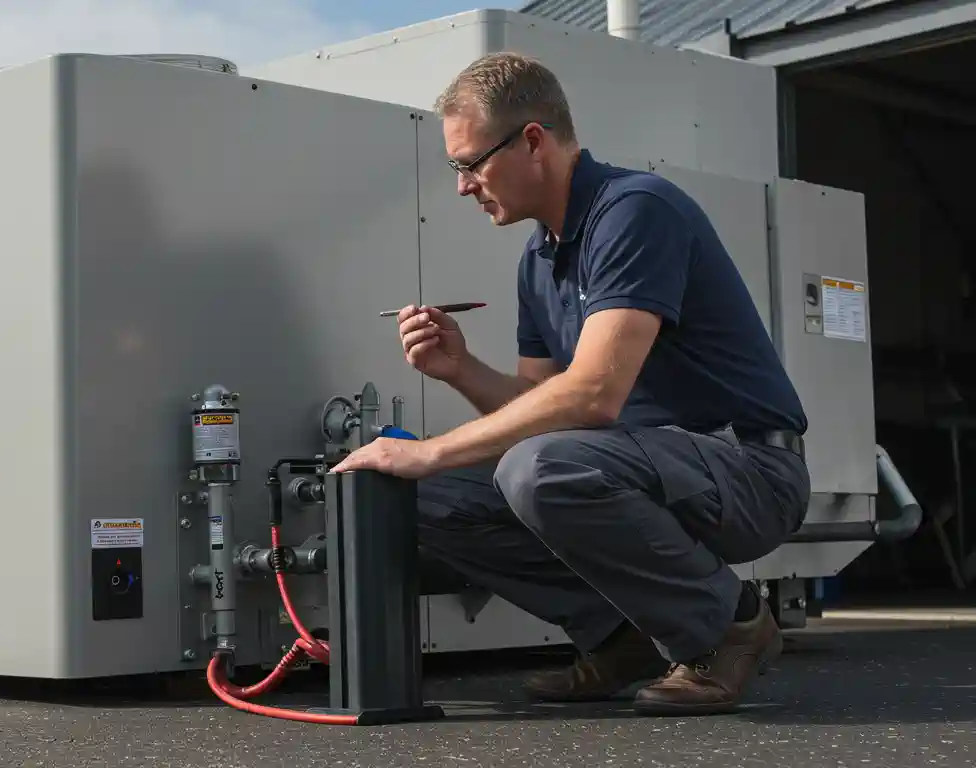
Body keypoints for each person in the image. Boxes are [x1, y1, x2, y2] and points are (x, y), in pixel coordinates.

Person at [329, 52, 811, 716]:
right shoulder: (539, 260)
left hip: (750, 470)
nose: (463, 186)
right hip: (638, 463)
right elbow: (539, 409)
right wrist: (461, 369)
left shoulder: (636, 211)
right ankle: (622, 634)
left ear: (532, 140)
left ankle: (729, 625)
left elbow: (590, 397)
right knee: (425, 495)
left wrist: (429, 448)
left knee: (530, 468)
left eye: (470, 164)